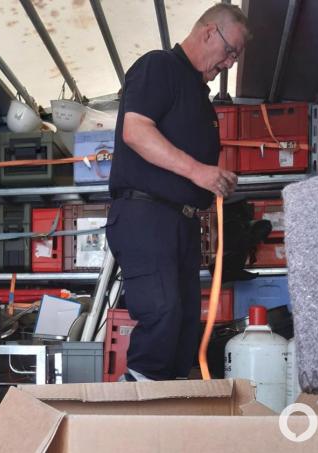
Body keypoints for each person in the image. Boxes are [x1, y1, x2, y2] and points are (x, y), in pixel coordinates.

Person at [106, 4, 250, 381]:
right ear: (208, 33)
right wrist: (198, 170)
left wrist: (214, 181)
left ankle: (165, 425)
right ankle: (127, 424)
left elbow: (194, 173)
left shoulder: (200, 97)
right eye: (230, 51)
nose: (231, 64)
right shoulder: (160, 67)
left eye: (236, 56)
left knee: (185, 328)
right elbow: (135, 131)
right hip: (145, 216)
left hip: (181, 224)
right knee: (163, 314)